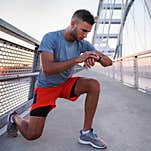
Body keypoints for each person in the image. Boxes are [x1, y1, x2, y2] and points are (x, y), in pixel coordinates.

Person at [7, 9, 112, 149]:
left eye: (88, 32)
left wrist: (96, 57)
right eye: (83, 30)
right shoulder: (51, 38)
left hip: (65, 84)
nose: (85, 35)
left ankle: (86, 133)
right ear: (73, 23)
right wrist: (78, 59)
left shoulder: (82, 43)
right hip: (46, 88)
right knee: (32, 134)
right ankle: (14, 117)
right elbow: (48, 69)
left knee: (93, 85)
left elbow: (108, 62)